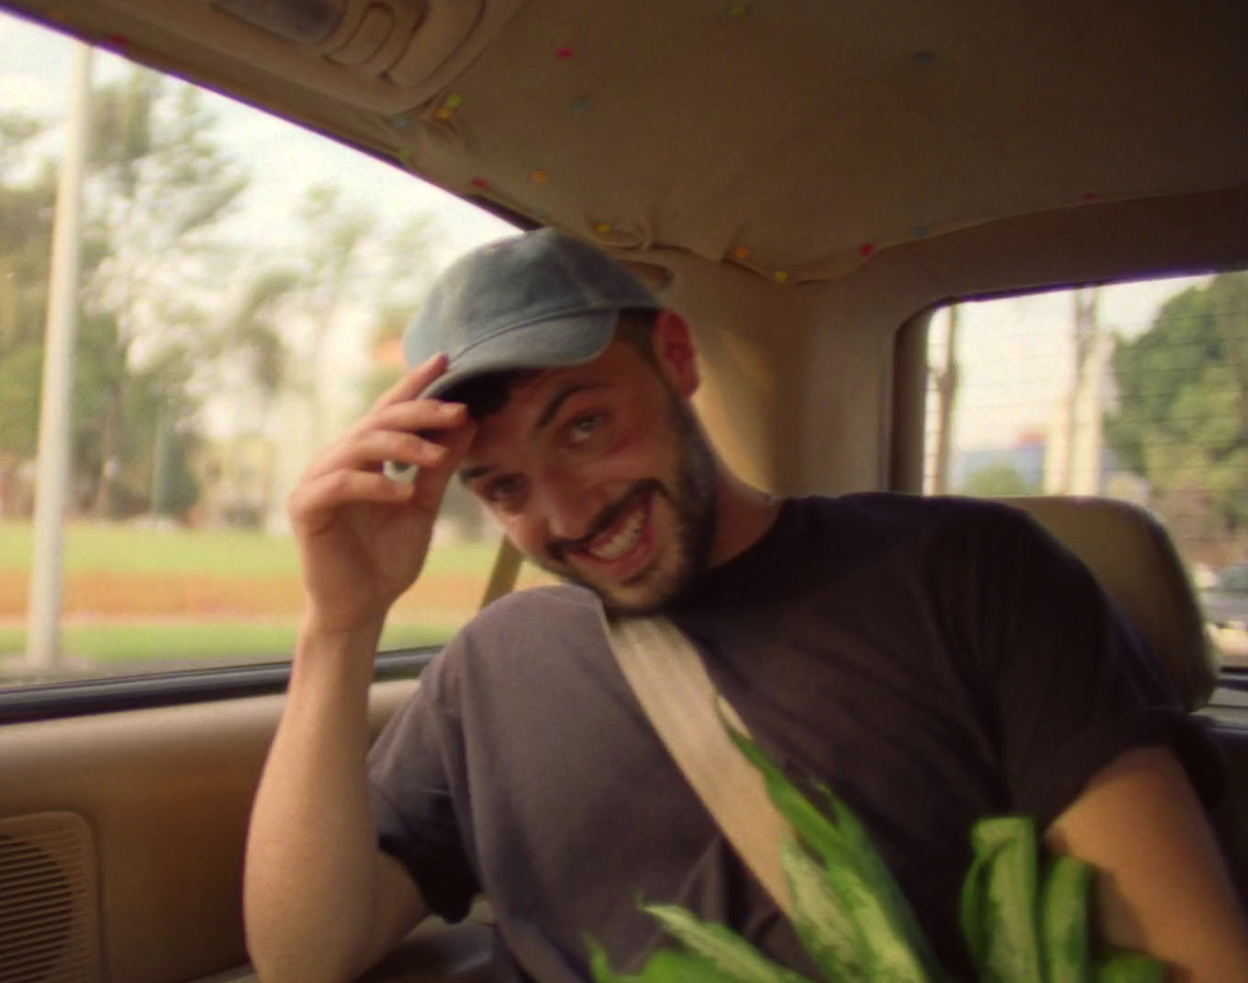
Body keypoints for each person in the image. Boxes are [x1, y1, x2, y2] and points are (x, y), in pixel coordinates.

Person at [243, 229, 1248, 983]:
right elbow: (301, 952)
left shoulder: (970, 573)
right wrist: (340, 625)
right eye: (502, 486)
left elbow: (1183, 953)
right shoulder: (487, 667)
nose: (564, 513)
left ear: (676, 359)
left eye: (586, 425)